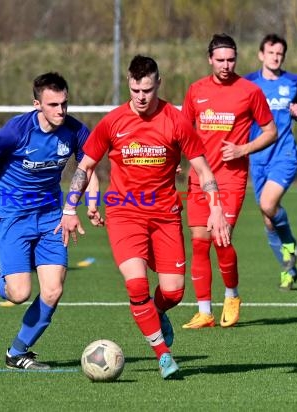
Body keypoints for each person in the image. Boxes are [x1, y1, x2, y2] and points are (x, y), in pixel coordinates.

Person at [56, 55, 231, 379]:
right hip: (125, 214)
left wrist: (216, 207)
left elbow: (203, 169)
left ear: (158, 84)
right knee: (136, 284)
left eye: (147, 89)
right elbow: (85, 167)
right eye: (135, 89)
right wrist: (71, 208)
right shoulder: (113, 122)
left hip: (165, 216)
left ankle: (157, 311)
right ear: (129, 84)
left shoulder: (176, 121)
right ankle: (163, 355)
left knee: (174, 291)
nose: (141, 96)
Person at [0, 72, 100, 370]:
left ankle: (18, 352)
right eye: (53, 105)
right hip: (12, 214)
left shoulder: (74, 130)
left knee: (53, 290)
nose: (61, 110)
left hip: (51, 214)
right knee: (20, 293)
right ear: (38, 104)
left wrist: (88, 204)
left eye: (64, 103)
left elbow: (87, 167)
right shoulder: (17, 131)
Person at [181, 33, 277, 329]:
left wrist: (243, 149)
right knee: (199, 244)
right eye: (220, 60)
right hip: (200, 178)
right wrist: (178, 164)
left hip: (232, 179)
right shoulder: (195, 91)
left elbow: (270, 131)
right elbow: (183, 132)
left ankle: (232, 295)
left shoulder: (249, 91)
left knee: (220, 240)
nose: (226, 65)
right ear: (210, 59)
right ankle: (204, 311)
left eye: (231, 59)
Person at [244, 33, 297, 291]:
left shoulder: (294, 82)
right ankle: (289, 270)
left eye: (280, 54)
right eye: (271, 53)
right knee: (268, 218)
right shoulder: (248, 83)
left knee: (268, 204)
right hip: (258, 158)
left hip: (284, 154)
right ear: (261, 54)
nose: (276, 57)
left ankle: (290, 243)